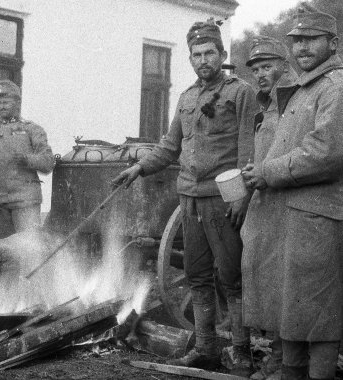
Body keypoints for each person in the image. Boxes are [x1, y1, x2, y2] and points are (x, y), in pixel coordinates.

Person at [112, 20, 257, 375]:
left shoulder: (241, 93)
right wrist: (139, 169)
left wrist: (240, 197)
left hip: (222, 200)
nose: (203, 60)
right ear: (190, 59)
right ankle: (205, 349)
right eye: (197, 55)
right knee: (197, 275)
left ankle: (241, 352)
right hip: (188, 199)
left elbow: (247, 151)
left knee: (231, 277)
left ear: (222, 55)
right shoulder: (187, 97)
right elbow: (169, 146)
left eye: (210, 53)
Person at [242, 5, 343, 379]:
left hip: (319, 219)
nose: (302, 48)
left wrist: (267, 171)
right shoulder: (305, 89)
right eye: (296, 41)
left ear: (333, 43)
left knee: (319, 318)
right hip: (296, 217)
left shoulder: (334, 87)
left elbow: (326, 154)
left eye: (311, 40)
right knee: (295, 312)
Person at [240, 35, 297, 380]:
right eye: (257, 68)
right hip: (264, 202)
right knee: (264, 278)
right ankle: (277, 357)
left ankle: (285, 361)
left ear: (283, 66)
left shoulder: (296, 101)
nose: (262, 73)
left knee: (286, 283)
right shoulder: (267, 106)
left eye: (268, 66)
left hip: (288, 203)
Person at [0, 80, 54, 239]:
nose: (2, 106)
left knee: (29, 249)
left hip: (24, 201)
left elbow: (48, 162)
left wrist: (27, 159)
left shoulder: (32, 130)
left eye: (6, 101)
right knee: (5, 251)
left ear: (18, 102)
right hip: (0, 201)